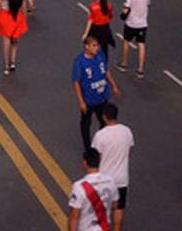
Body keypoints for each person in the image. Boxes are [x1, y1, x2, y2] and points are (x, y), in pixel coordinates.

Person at [72, 36, 121, 151]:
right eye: (94, 46)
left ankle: (99, 142)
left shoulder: (100, 56)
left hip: (102, 97)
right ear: (87, 47)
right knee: (86, 123)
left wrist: (114, 86)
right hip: (88, 100)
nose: (97, 48)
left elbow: (106, 71)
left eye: (97, 45)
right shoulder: (79, 62)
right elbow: (76, 83)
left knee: (104, 121)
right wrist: (81, 102)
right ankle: (87, 147)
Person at [91, 103, 134, 231]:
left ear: (104, 117)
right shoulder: (126, 131)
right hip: (122, 179)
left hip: (104, 179)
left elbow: (95, 158)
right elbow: (129, 151)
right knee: (119, 208)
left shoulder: (100, 135)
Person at [67, 146, 117, 231]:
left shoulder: (79, 186)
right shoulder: (110, 181)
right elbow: (115, 205)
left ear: (85, 163)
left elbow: (74, 216)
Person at [118, 0, 150, 78]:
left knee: (126, 41)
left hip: (131, 23)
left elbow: (126, 9)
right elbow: (148, 5)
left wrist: (122, 16)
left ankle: (124, 63)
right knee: (141, 44)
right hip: (142, 23)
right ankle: (140, 69)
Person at [81, 0, 116, 64]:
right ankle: (104, 66)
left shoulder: (92, 6)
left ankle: (91, 63)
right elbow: (110, 17)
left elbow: (90, 20)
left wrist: (85, 34)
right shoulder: (109, 6)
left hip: (95, 30)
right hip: (105, 29)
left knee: (91, 47)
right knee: (104, 49)